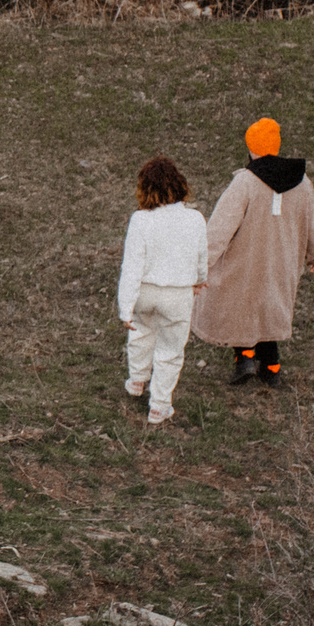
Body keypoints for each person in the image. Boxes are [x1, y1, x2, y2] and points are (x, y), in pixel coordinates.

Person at [194, 117, 314, 387]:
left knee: (242, 305)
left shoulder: (246, 182)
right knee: (271, 307)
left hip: (247, 259)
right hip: (283, 261)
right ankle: (272, 368)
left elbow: (221, 226)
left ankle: (244, 359)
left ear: (251, 148)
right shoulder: (302, 183)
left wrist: (201, 263)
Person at [116, 155, 208, 427]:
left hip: (146, 291)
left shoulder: (141, 220)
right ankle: (159, 406)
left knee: (142, 331)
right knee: (170, 350)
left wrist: (126, 306)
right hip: (178, 294)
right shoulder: (195, 219)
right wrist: (200, 279)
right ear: (179, 185)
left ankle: (136, 379)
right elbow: (202, 256)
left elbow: (131, 265)